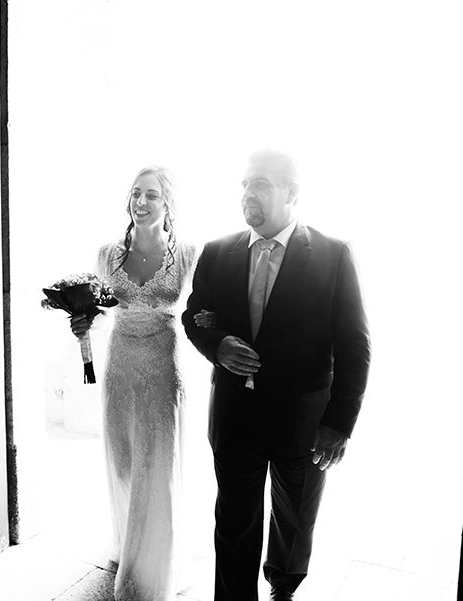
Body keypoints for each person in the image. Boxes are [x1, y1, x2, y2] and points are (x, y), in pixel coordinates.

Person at [182, 149, 370, 601]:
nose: (248, 193)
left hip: (303, 421)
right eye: (245, 184)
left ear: (292, 193)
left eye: (261, 184)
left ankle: (283, 587)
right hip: (235, 415)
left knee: (295, 517)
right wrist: (217, 344)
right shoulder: (217, 252)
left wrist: (339, 424)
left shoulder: (333, 254)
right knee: (234, 519)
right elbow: (194, 315)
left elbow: (354, 345)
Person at [69, 165, 197, 601]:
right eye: (136, 193)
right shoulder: (107, 255)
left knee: (155, 469)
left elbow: (201, 312)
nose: (140, 203)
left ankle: (155, 569)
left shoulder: (188, 255)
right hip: (120, 364)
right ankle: (129, 545)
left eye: (152, 196)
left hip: (164, 366)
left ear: (169, 205)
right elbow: (102, 309)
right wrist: (83, 320)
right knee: (124, 464)